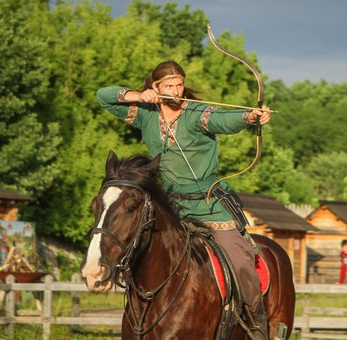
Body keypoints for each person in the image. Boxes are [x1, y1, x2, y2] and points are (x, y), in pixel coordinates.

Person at [96, 60, 271, 339]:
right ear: (156, 87)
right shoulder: (146, 114)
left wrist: (249, 118)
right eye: (169, 86)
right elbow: (103, 97)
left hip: (208, 204)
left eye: (179, 85)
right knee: (137, 248)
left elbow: (224, 120)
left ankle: (257, 322)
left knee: (240, 260)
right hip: (169, 207)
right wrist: (138, 96)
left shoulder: (197, 113)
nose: (176, 91)